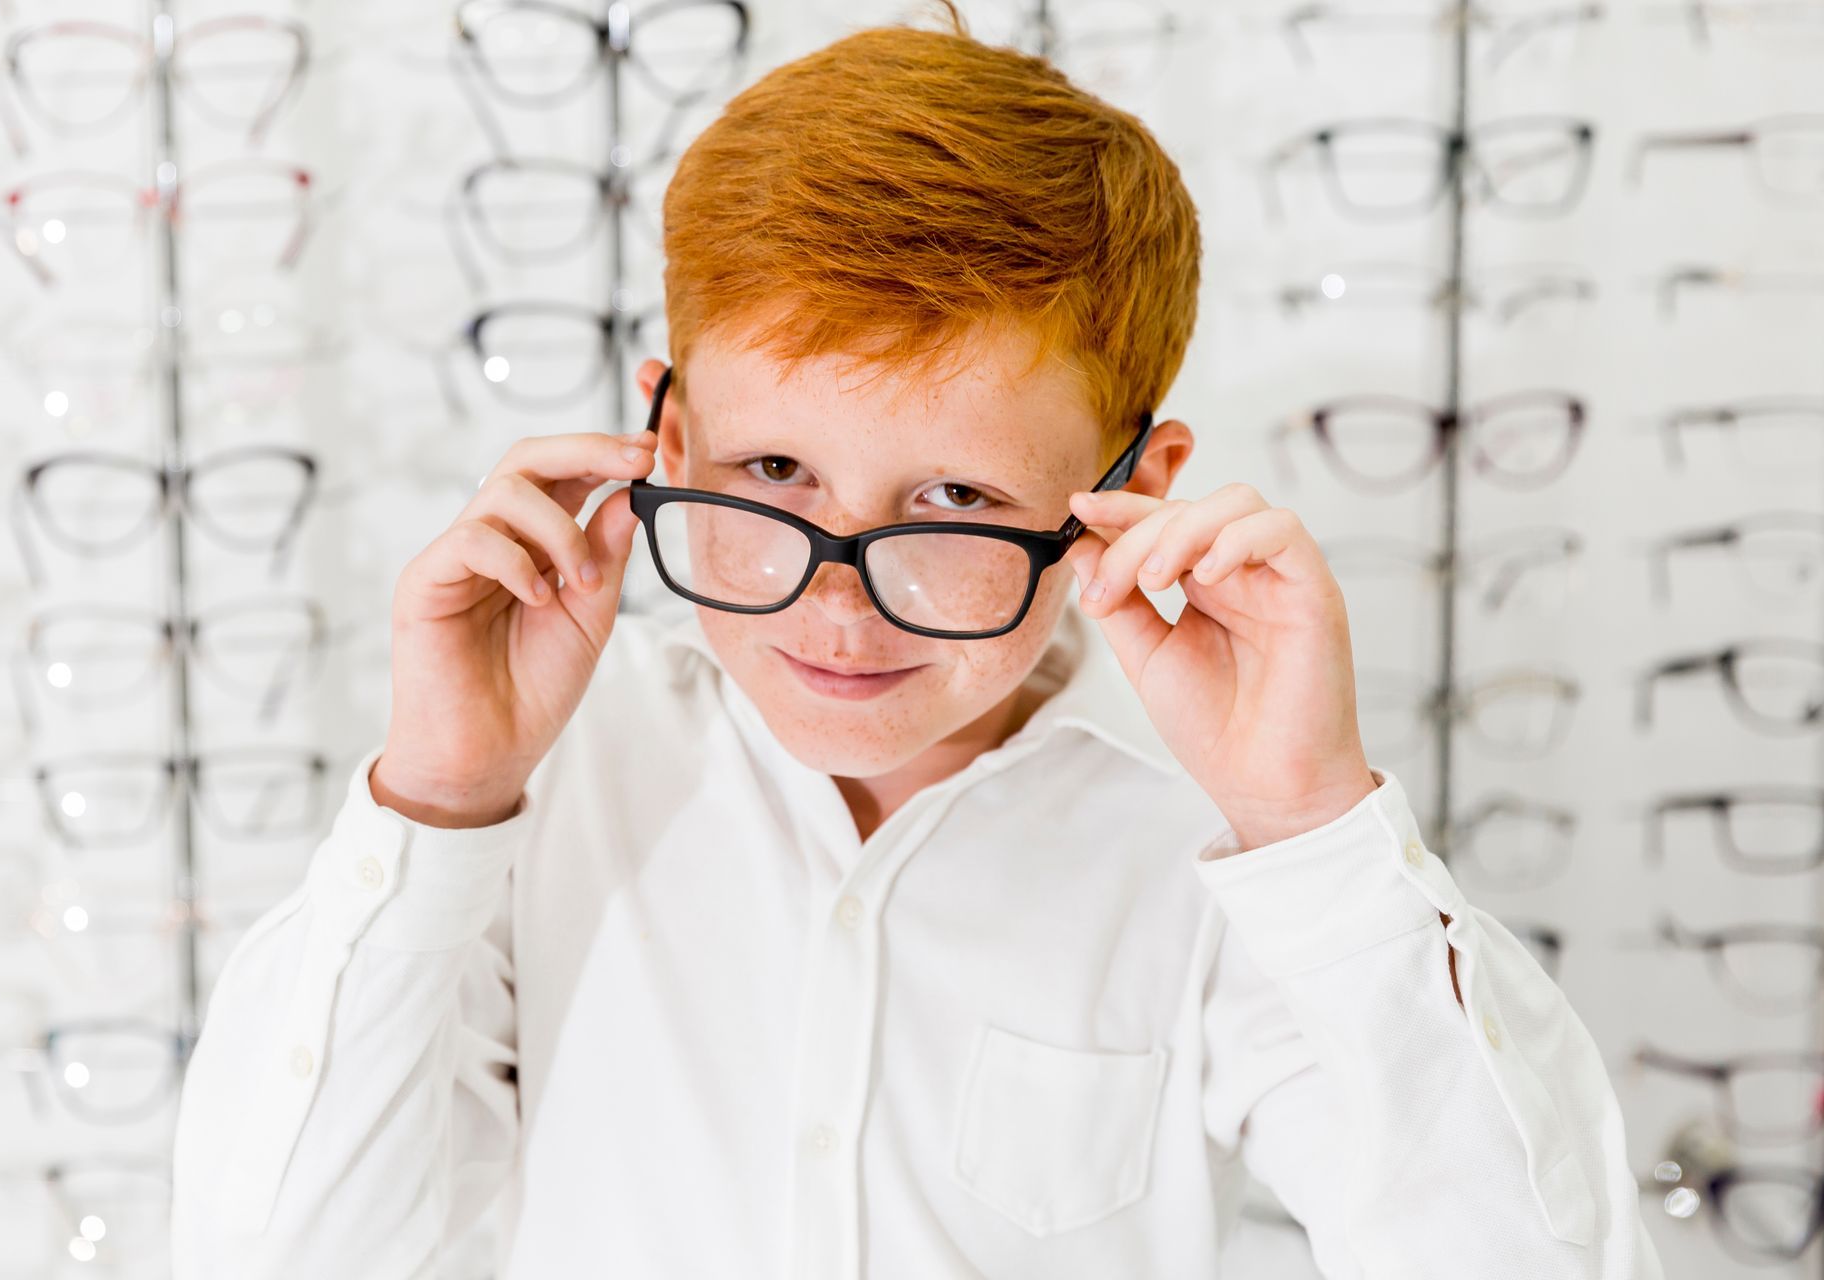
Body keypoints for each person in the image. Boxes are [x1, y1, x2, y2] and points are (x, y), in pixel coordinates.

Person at [169, 6, 1663, 1277]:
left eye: (954, 500)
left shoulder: (1207, 843)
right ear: (667, 437)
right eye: (770, 480)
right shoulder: (542, 786)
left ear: (1128, 497)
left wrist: (1312, 824)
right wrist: (435, 801)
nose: (838, 603)